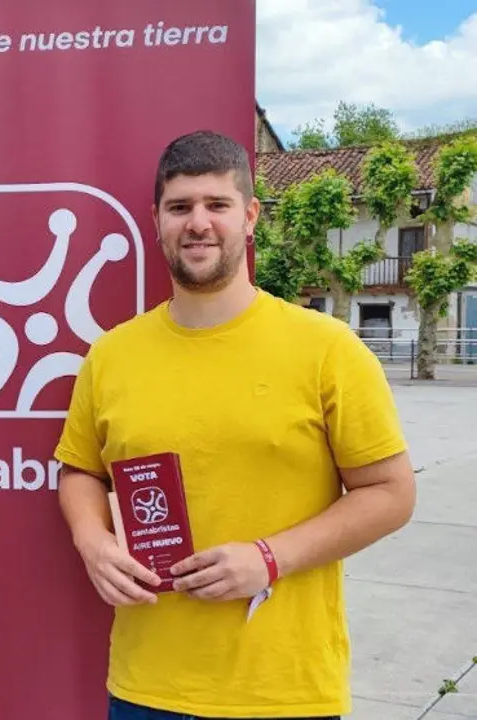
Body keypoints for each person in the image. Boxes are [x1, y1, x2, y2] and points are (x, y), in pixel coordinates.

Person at [54, 130, 417, 719]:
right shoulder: (113, 355)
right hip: (146, 686)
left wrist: (269, 558)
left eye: (216, 205)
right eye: (180, 207)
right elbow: (80, 471)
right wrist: (92, 541)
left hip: (282, 690)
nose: (198, 223)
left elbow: (392, 493)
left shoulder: (326, 349)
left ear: (249, 217)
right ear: (156, 221)